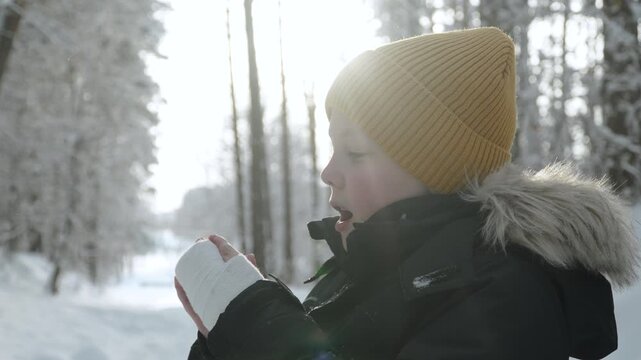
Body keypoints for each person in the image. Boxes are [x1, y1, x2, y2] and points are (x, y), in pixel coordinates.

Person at [174, 27, 640, 359]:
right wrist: (225, 332)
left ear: (436, 168)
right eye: (332, 148)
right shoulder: (363, 272)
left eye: (354, 151)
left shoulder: (507, 297)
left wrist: (259, 329)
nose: (327, 172)